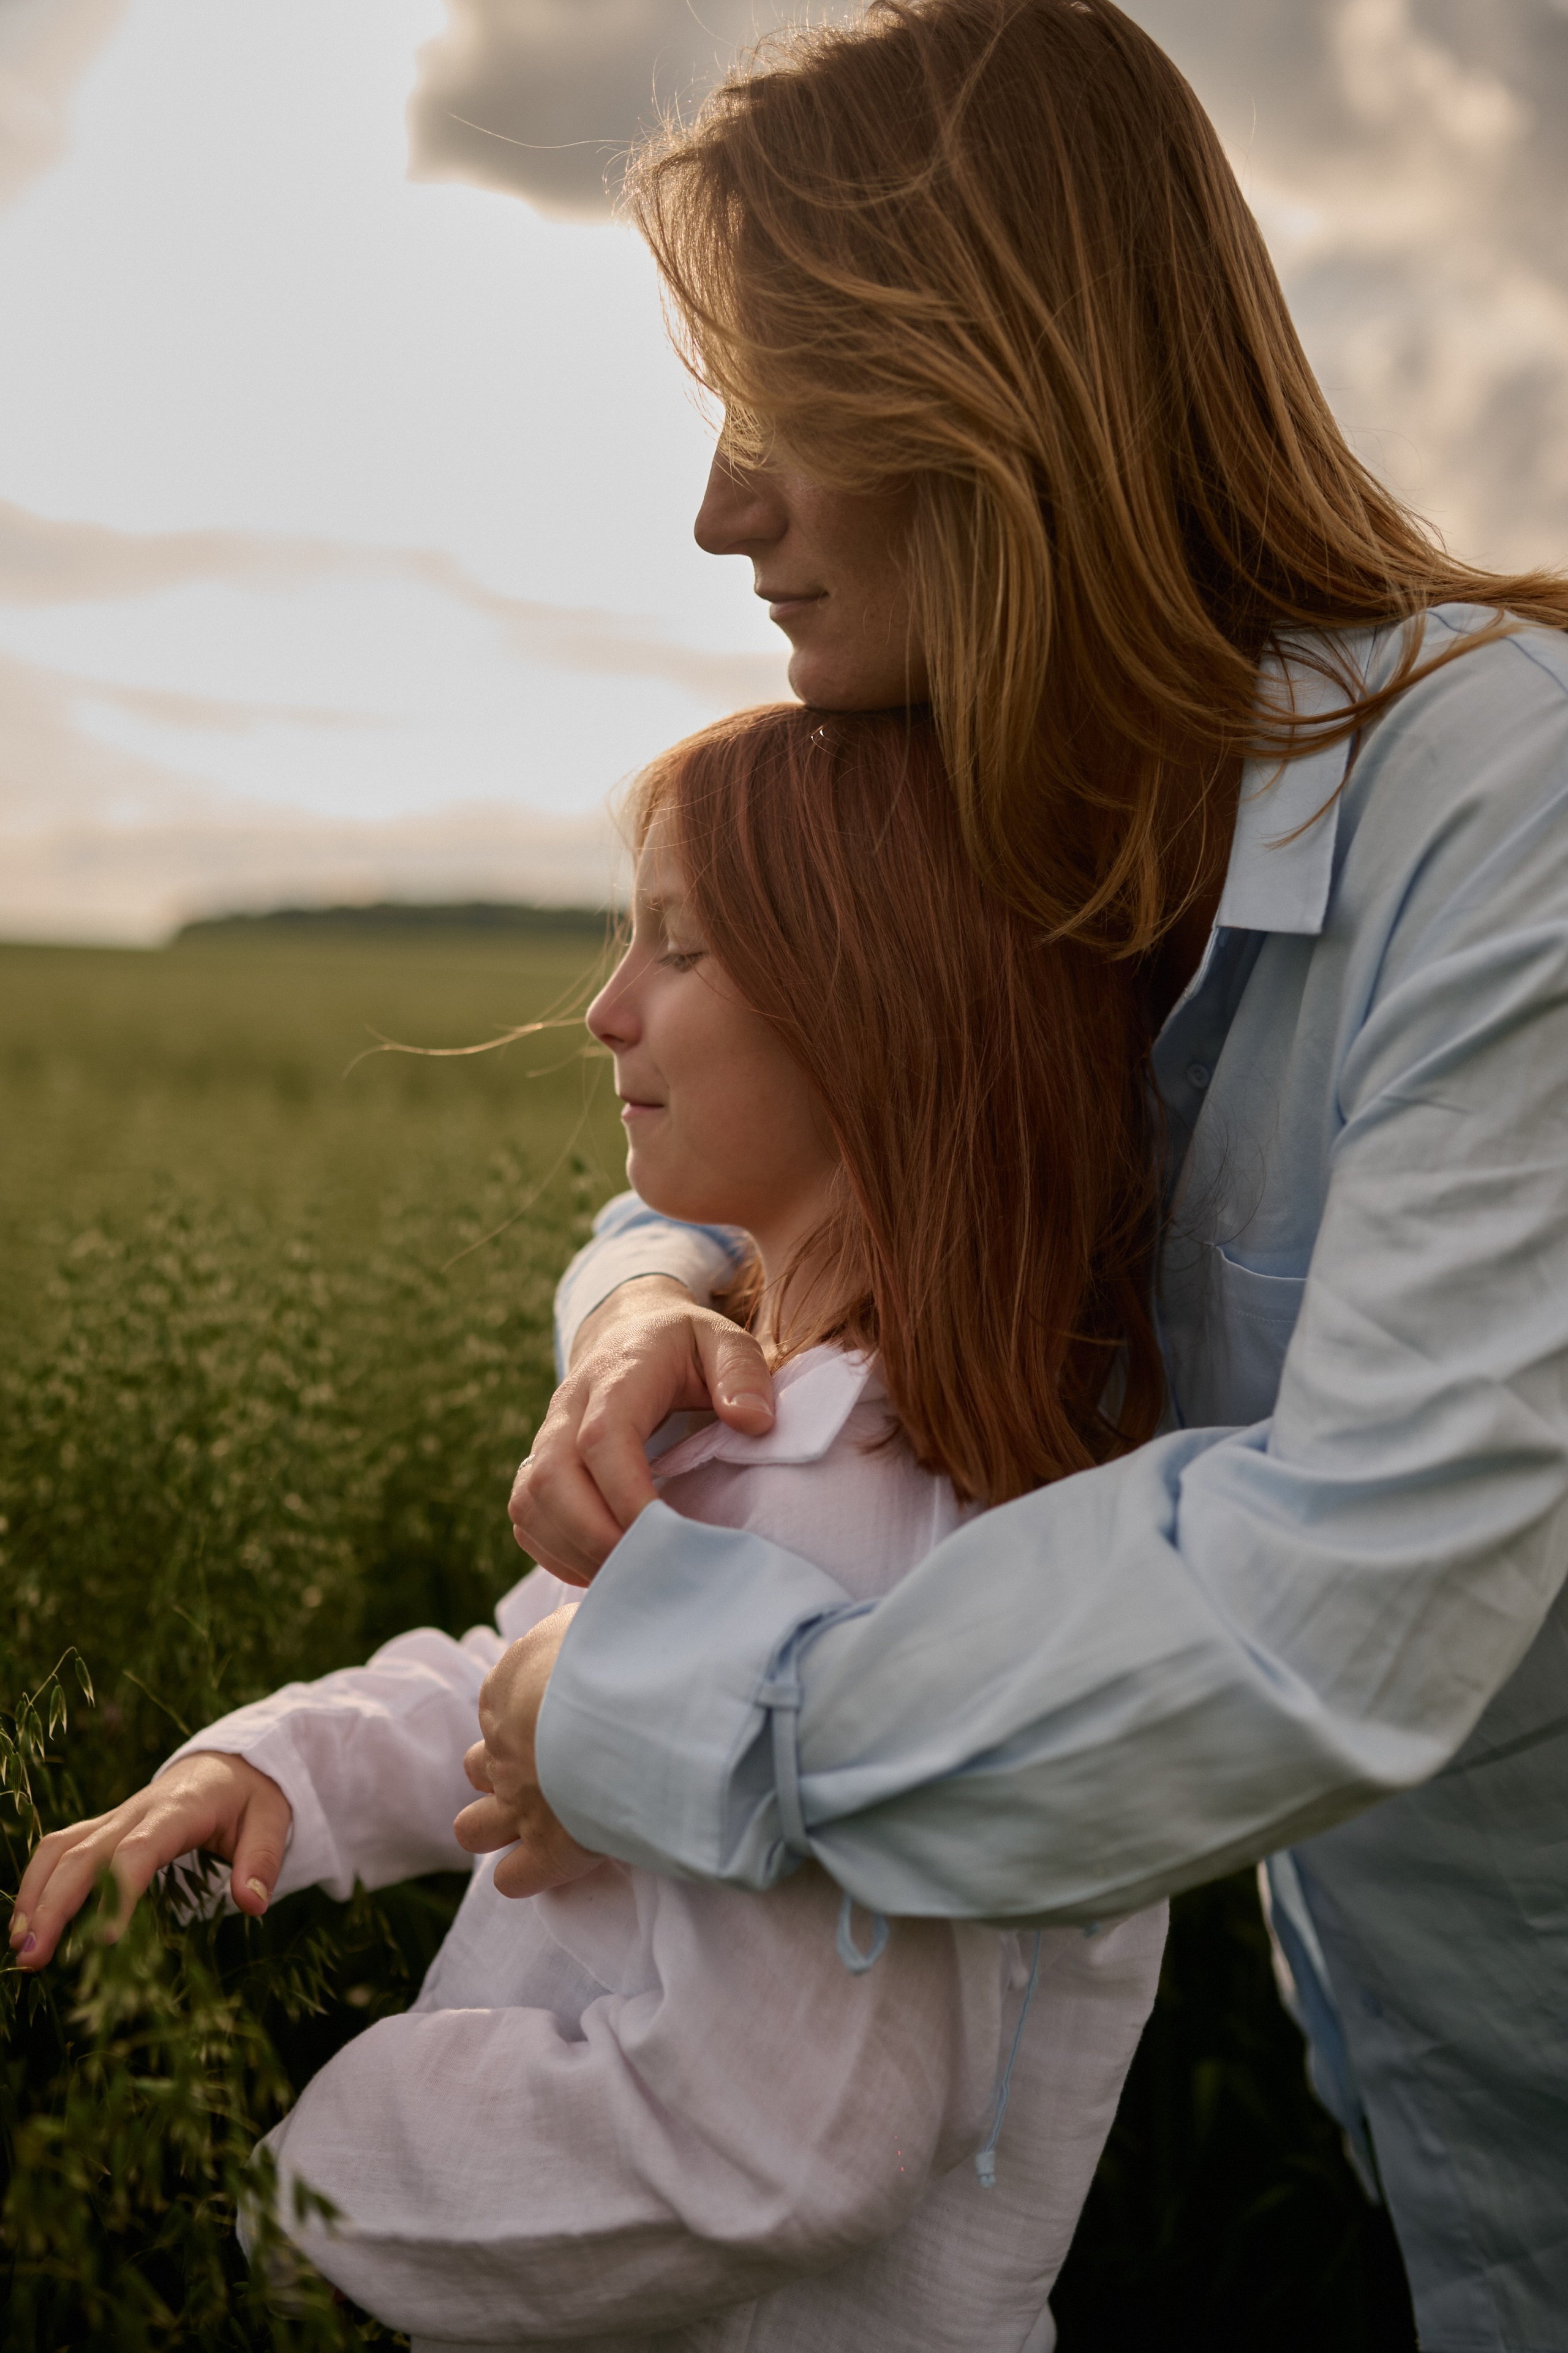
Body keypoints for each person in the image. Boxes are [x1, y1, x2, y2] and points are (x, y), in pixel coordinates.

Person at [472, 6, 1568, 2350]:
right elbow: (773, 1166)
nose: (719, 514)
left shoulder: (1512, 819)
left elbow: (1348, 1598)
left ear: (986, 384)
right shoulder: (1030, 815)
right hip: (1442, 2115)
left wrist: (668, 1715)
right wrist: (652, 1300)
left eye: (773, 407)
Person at [10, 705, 1167, 2350]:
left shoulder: (863, 1518)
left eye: (678, 951)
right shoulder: (765, 1409)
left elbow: (774, 2144)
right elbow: (528, 1677)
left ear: (874, 1013)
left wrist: (305, 2194)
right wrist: (281, 1770)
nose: (605, 1009)